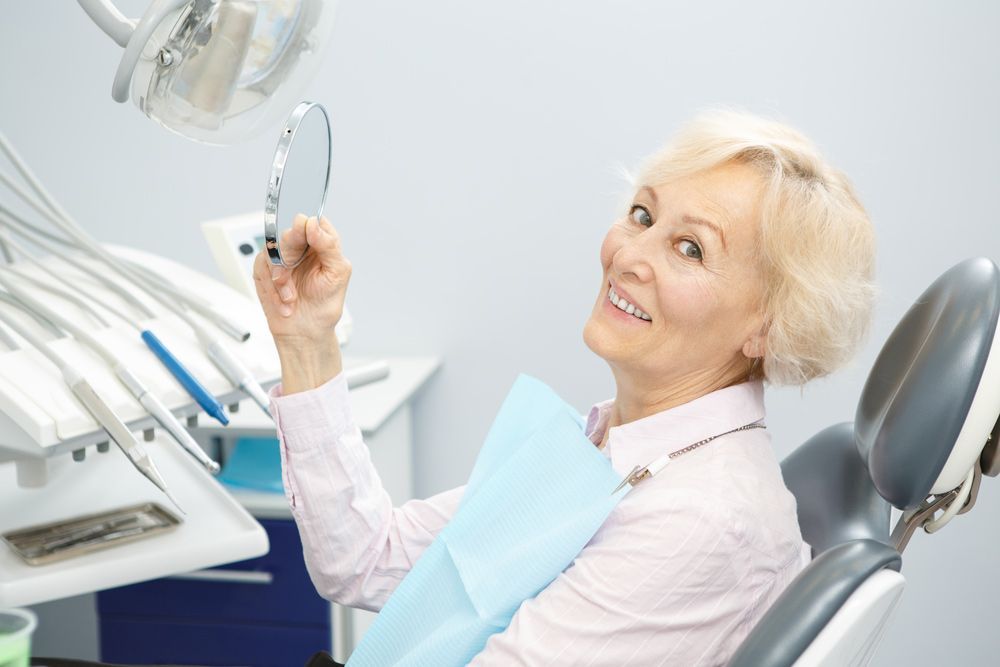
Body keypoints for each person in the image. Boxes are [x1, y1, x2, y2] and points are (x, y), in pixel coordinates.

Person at [252, 109, 876, 666]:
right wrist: (307, 341)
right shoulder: (614, 446)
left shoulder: (698, 519)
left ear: (768, 326)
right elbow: (364, 559)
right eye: (642, 215)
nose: (629, 255)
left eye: (690, 248)